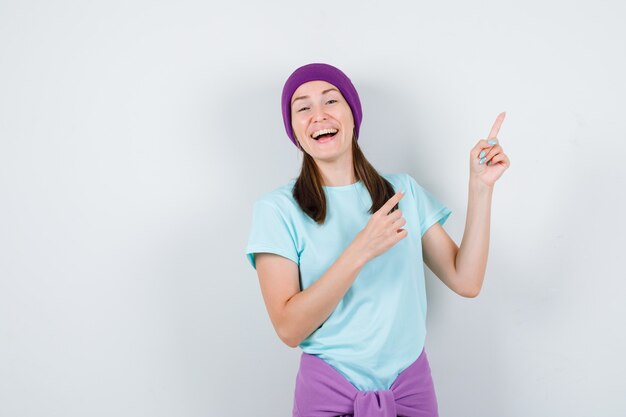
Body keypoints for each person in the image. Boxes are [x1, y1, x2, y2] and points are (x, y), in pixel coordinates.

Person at [244, 63, 510, 417]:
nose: (318, 115)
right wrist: (359, 250)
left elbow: (467, 280)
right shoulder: (277, 210)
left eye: (331, 101)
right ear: (293, 128)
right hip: (328, 395)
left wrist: (481, 187)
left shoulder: (403, 193)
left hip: (411, 391)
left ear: (353, 115)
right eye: (303, 107)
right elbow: (289, 328)